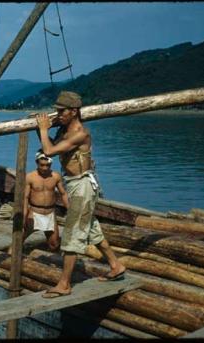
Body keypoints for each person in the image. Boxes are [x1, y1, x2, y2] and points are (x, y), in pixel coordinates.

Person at [36, 91, 126, 298]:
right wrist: (41, 130)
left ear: (74, 111)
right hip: (74, 185)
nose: (58, 114)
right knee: (92, 229)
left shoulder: (80, 134)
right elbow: (50, 146)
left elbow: (48, 153)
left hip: (83, 186)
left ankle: (65, 284)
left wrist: (42, 129)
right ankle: (116, 265)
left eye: (62, 111)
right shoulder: (65, 131)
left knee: (72, 232)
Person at [17, 150, 68, 252]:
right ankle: (11, 257)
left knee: (54, 244)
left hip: (50, 213)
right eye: (42, 165)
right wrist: (24, 216)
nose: (45, 168)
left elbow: (63, 193)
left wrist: (69, 210)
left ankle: (45, 261)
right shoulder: (30, 177)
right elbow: (25, 198)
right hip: (34, 212)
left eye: (48, 165)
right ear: (37, 163)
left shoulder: (56, 176)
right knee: (19, 240)